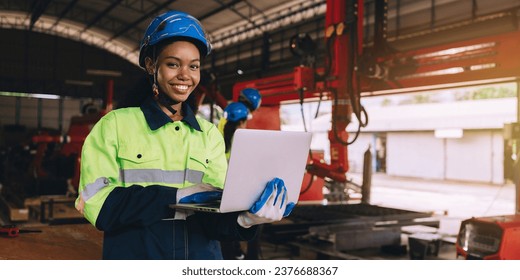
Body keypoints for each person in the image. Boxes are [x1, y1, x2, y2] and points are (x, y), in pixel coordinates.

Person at [74, 10, 294, 260]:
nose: (185, 76)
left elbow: (214, 221)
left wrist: (246, 219)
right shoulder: (114, 126)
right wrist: (174, 197)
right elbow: (99, 207)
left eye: (194, 66)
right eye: (173, 64)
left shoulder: (208, 134)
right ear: (150, 65)